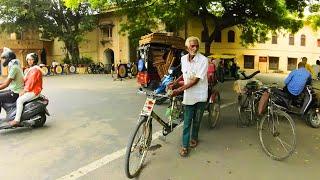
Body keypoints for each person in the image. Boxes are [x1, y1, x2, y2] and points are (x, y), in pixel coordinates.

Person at [169, 36, 208, 157]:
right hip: (189, 95)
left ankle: (194, 137)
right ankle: (185, 146)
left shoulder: (203, 60)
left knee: (196, 120)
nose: (195, 48)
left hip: (200, 94)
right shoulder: (183, 59)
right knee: (187, 122)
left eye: (197, 46)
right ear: (187, 47)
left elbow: (195, 81)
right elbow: (184, 73)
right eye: (192, 46)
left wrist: (178, 90)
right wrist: (175, 83)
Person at [9, 53, 43, 126]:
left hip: (34, 91)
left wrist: (24, 91)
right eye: (28, 59)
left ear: (35, 60)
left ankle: (16, 120)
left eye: (31, 59)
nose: (29, 61)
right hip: (31, 90)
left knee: (19, 100)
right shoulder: (30, 69)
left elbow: (31, 83)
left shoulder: (35, 70)